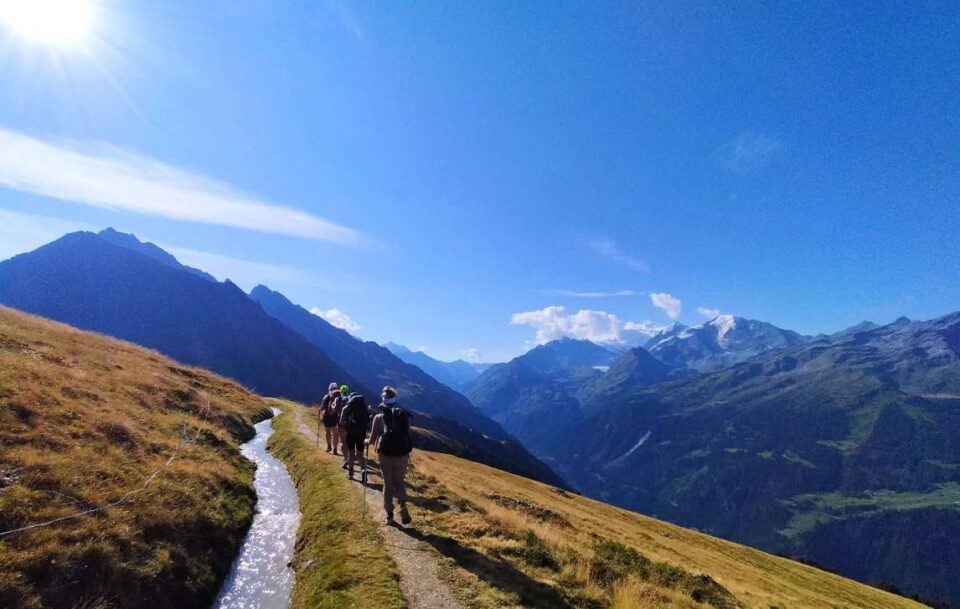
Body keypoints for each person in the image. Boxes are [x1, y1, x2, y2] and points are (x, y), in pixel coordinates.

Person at [368, 386, 413, 525]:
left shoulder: (379, 417)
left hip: (385, 455)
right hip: (402, 455)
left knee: (388, 484)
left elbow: (372, 439)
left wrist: (366, 441)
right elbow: (406, 434)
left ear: (383, 400)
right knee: (399, 482)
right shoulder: (402, 415)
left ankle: (389, 514)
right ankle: (403, 505)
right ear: (395, 400)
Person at [339, 392, 370, 480]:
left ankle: (351, 473)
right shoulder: (364, 407)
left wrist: (347, 427)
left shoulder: (347, 407)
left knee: (351, 453)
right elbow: (368, 421)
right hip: (361, 433)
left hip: (350, 433)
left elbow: (341, 422)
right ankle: (363, 470)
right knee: (360, 454)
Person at [318, 382, 342, 453]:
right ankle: (335, 449)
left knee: (328, 432)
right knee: (335, 433)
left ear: (329, 389)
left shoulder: (327, 396)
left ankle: (329, 446)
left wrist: (319, 409)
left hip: (327, 416)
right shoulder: (339, 396)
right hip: (335, 416)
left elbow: (322, 407)